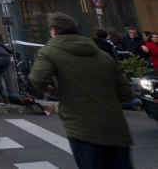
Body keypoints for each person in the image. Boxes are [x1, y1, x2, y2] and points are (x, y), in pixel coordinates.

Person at [29, 12, 133, 169]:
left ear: (54, 31)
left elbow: (36, 81)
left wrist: (54, 93)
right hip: (116, 127)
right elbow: (126, 93)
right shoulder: (103, 55)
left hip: (82, 127)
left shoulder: (49, 52)